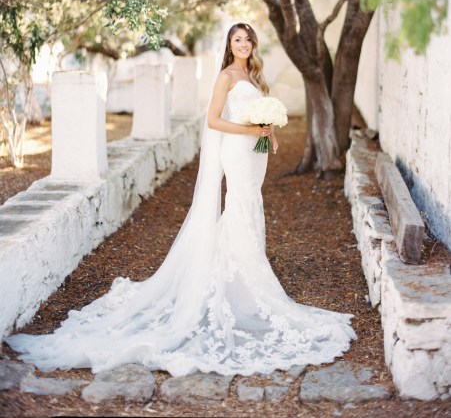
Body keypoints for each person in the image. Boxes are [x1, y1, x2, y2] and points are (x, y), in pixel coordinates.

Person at [7, 23, 355, 376]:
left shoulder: (253, 74)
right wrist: (252, 130)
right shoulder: (226, 77)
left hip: (255, 152)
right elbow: (215, 121)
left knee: (251, 204)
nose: (244, 44)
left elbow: (257, 115)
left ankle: (246, 267)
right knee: (240, 203)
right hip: (236, 151)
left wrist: (270, 132)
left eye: (248, 39)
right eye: (237, 39)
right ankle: (246, 279)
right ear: (229, 44)